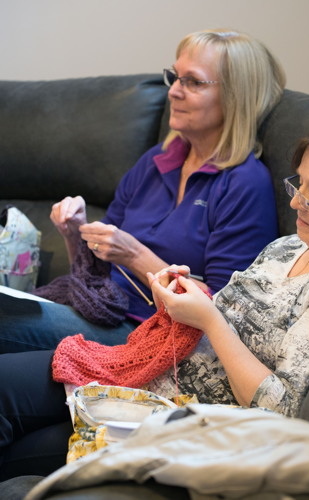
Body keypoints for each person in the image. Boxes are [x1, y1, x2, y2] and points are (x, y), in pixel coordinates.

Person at [1, 116, 309, 480]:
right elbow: (223, 314)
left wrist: (209, 319)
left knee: (22, 446)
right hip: (145, 376)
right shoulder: (288, 247)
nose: (296, 201)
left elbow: (284, 411)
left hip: (174, 420)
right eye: (298, 184)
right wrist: (179, 298)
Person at [0, 29, 285, 353]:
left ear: (236, 95)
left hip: (155, 335)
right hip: (102, 308)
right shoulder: (156, 161)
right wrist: (76, 232)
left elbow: (224, 311)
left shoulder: (244, 183)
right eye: (175, 78)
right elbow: (95, 272)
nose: (174, 92)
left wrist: (135, 255)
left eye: (193, 82)